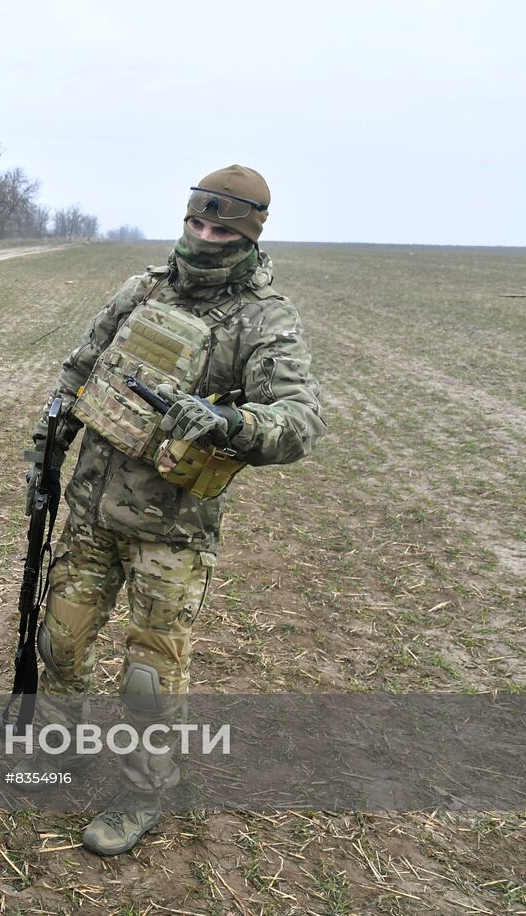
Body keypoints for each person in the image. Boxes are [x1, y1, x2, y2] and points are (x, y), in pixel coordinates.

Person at [26, 165, 325, 856]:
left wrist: (228, 422)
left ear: (249, 235)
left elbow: (301, 422)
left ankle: (142, 792)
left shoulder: (264, 319)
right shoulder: (143, 290)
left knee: (150, 679)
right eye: (196, 222)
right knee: (60, 643)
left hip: (172, 531)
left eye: (221, 229)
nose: (203, 237)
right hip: (92, 511)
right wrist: (48, 444)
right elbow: (80, 368)